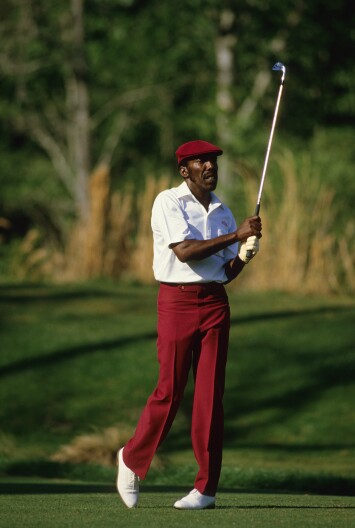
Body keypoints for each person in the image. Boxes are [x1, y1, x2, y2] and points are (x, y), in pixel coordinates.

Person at [116, 139, 262, 510]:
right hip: (176, 301)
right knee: (170, 391)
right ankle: (131, 460)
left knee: (211, 396)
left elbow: (225, 273)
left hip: (215, 303)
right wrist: (236, 236)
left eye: (213, 162)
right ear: (186, 170)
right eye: (203, 163)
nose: (211, 167)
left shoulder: (224, 211)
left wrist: (245, 255)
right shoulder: (168, 201)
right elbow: (185, 251)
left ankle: (206, 489)